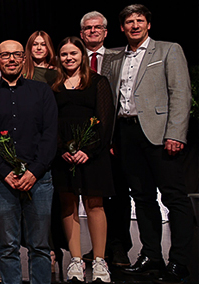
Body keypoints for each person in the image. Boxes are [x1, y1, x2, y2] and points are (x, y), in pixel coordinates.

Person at [108, 4, 193, 284]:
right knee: (142, 198)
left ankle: (180, 261)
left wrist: (176, 134)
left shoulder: (168, 50)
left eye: (139, 20)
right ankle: (152, 255)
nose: (134, 25)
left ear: (148, 24)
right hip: (127, 133)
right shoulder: (117, 56)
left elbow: (180, 93)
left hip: (160, 134)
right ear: (122, 27)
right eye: (129, 22)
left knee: (173, 197)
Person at [0, 40, 58, 284]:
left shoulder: (42, 91)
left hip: (39, 179)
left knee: (40, 246)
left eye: (16, 55)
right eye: (5, 55)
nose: (11, 59)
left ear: (24, 59)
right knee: (7, 246)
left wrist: (34, 171)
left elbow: (50, 135)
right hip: (2, 181)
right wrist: (4, 171)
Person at [51, 36, 115, 283]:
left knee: (94, 204)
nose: (69, 58)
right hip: (64, 155)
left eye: (73, 54)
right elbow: (51, 122)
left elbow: (105, 120)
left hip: (93, 154)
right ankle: (76, 262)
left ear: (82, 56)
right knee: (68, 205)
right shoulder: (54, 86)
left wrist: (88, 149)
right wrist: (62, 149)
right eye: (64, 54)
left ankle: (99, 261)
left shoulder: (98, 82)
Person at [79, 10, 132, 268]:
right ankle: (97, 248)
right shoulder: (75, 59)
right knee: (92, 196)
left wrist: (110, 141)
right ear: (82, 33)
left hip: (114, 138)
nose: (92, 31)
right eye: (88, 28)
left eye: (97, 27)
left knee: (118, 193)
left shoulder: (121, 57)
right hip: (85, 140)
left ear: (106, 31)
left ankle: (119, 247)